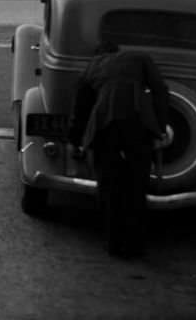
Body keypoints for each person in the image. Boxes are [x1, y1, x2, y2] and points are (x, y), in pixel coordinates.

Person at [67, 41, 171, 258]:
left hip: (105, 126)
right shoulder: (140, 56)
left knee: (109, 186)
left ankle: (113, 243)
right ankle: (135, 245)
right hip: (138, 123)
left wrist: (75, 140)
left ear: (99, 54)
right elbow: (160, 90)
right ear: (117, 52)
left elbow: (81, 106)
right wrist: (160, 127)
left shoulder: (92, 66)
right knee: (137, 185)